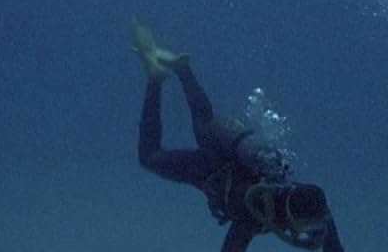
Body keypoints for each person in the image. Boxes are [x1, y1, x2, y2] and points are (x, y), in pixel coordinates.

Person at [131, 19, 346, 252]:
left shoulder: (304, 199)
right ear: (294, 218)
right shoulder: (257, 212)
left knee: (204, 121)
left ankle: (183, 70)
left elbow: (327, 225)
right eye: (310, 229)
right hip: (209, 170)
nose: (314, 234)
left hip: (227, 153)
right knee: (149, 156)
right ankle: (155, 80)